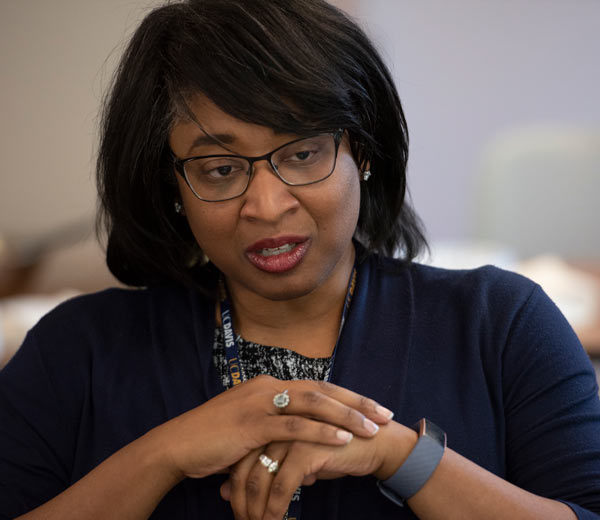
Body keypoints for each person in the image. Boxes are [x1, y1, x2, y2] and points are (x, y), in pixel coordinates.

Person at [1, 0, 599, 518]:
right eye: (220, 169)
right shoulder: (74, 352)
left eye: (305, 152)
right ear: (172, 188)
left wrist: (401, 458)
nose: (266, 205)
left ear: (361, 150)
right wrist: (164, 455)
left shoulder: (501, 323)